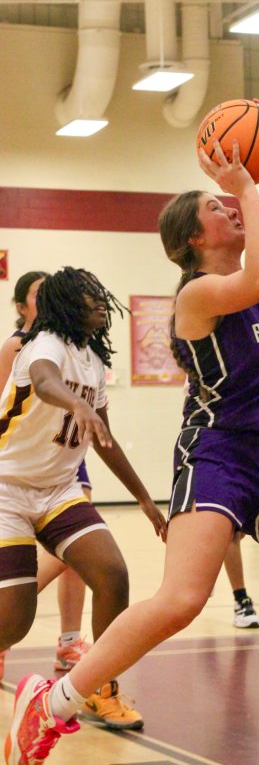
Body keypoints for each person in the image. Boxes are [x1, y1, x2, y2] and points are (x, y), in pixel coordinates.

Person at [6, 105, 259, 765]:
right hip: (217, 454)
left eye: (231, 201)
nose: (228, 205)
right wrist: (250, 185)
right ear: (191, 239)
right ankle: (51, 704)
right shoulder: (196, 295)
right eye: (215, 204)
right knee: (180, 602)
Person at [0, 267, 167, 748]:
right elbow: (45, 379)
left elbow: (104, 440)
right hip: (8, 488)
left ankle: (97, 687)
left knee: (112, 576)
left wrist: (142, 498)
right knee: (14, 619)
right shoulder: (45, 343)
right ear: (66, 305)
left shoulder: (92, 358)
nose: (101, 303)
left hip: (57, 489)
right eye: (90, 297)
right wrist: (76, 404)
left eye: (102, 297)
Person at [0, 272, 91, 682]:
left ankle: (70, 642)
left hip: (66, 451)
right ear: (22, 307)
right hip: (21, 458)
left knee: (82, 555)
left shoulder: (76, 347)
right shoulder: (19, 346)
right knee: (57, 558)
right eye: (39, 294)